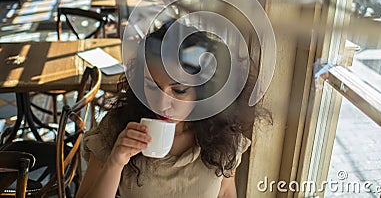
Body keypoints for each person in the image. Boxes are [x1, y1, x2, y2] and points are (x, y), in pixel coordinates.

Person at [75, 19, 259, 198]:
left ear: (203, 90)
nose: (161, 104)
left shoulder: (222, 133)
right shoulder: (117, 126)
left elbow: (225, 192)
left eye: (179, 90)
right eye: (152, 86)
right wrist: (115, 163)